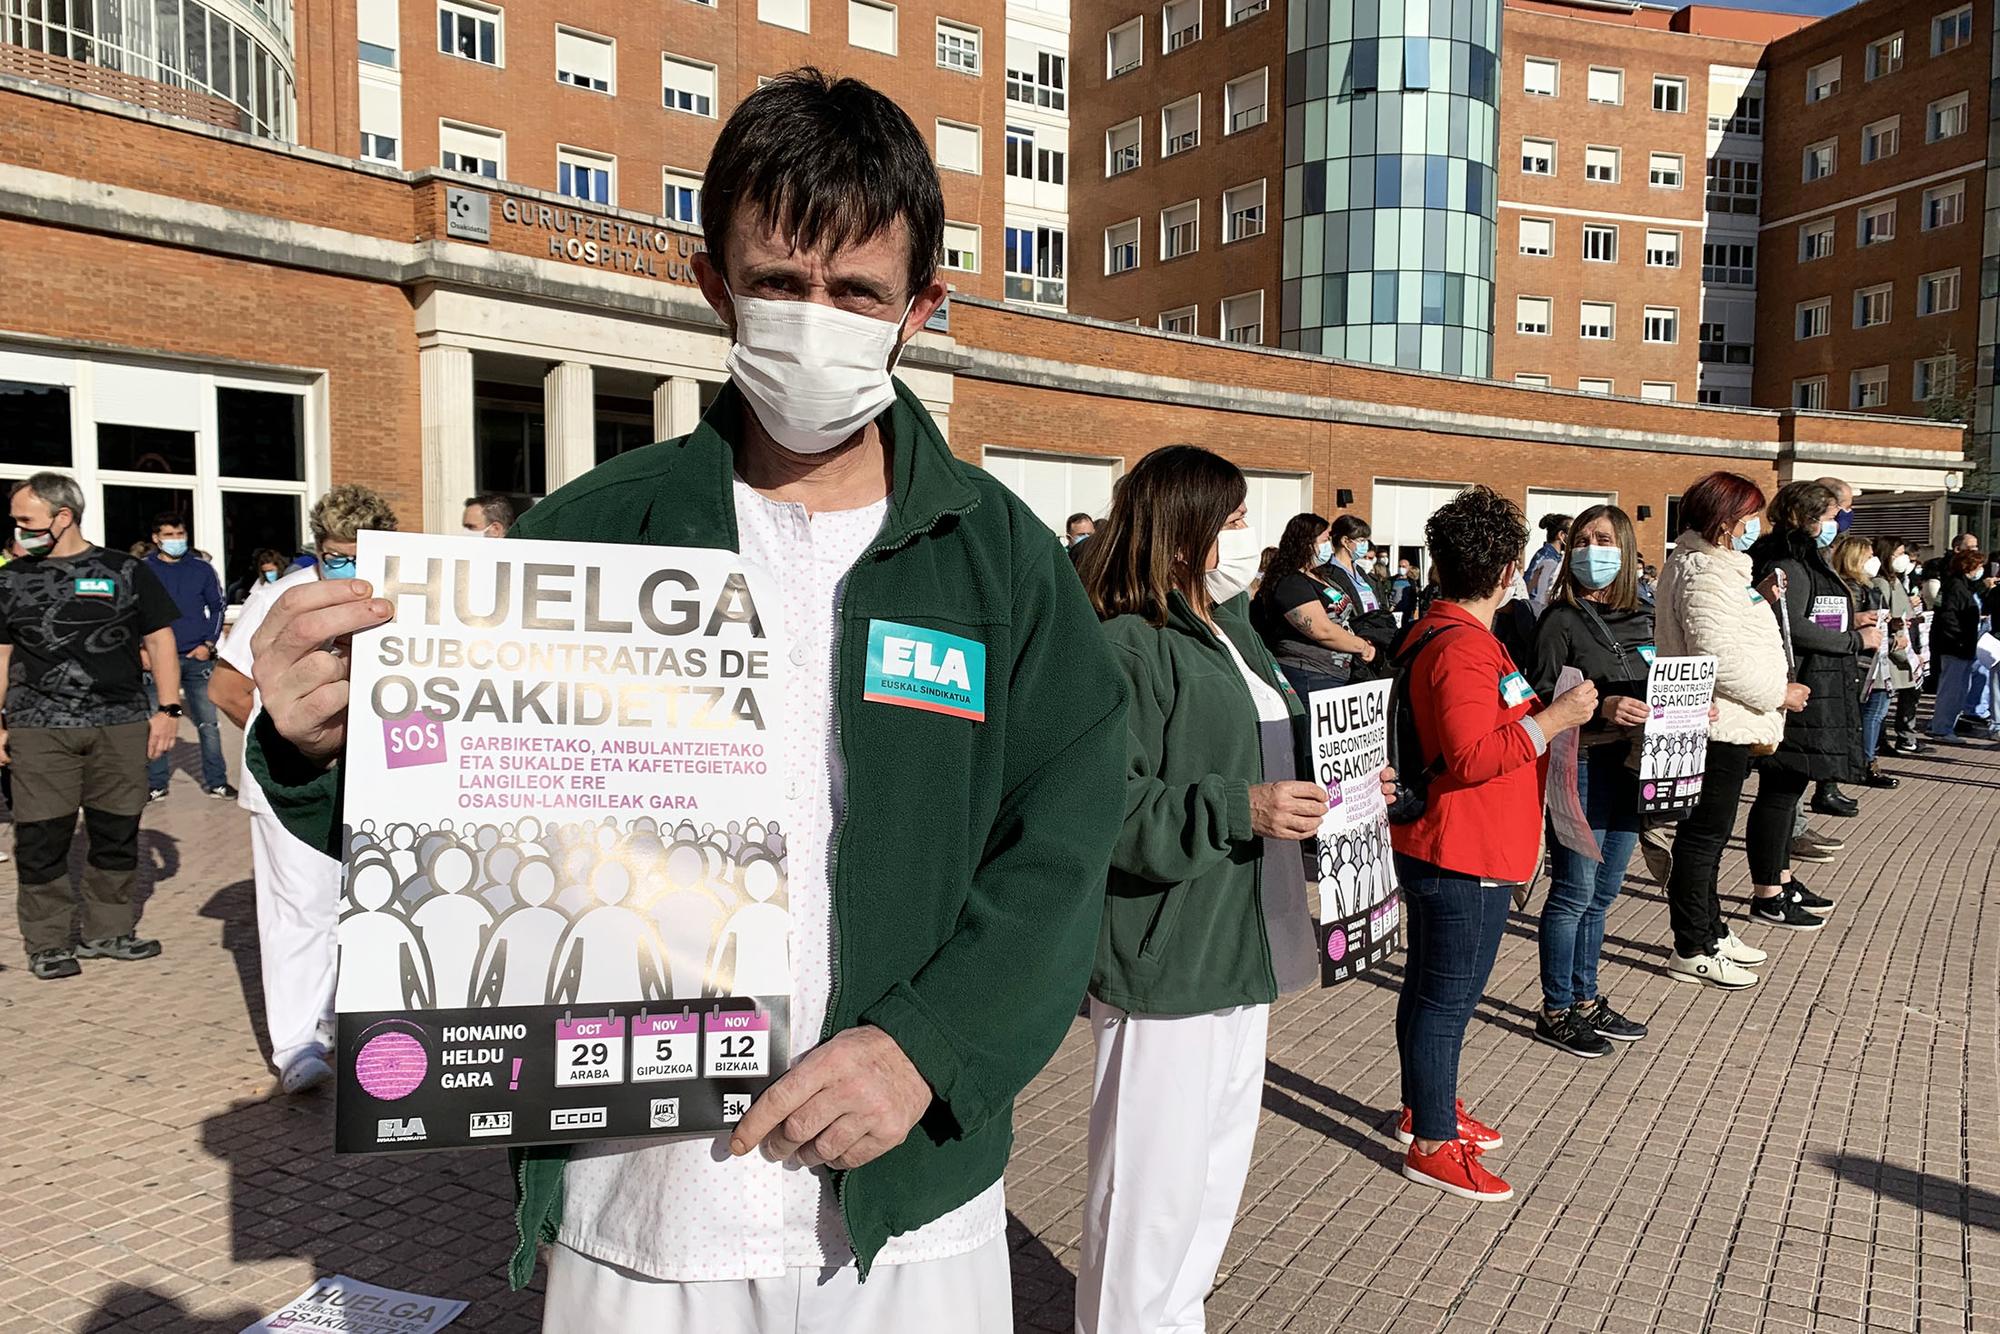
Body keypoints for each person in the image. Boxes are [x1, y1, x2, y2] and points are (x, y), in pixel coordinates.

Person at [242, 69, 1129, 1331]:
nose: (813, 321)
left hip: (904, 1207)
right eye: (777, 283)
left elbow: (1065, 844)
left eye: (854, 292)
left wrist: (928, 1045)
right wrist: (316, 745)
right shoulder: (590, 534)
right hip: (639, 1204)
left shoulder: (1000, 560)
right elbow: (448, 831)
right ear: (713, 284)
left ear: (918, 308)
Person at [1072, 447, 1326, 1332]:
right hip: (1168, 952)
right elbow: (1102, 806)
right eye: (1234, 518)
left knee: (1210, 1181)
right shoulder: (1125, 643)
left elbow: (1269, 747)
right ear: (1185, 531)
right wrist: (1238, 807)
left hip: (1244, 940)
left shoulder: (1230, 631)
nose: (1249, 534)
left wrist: (1342, 788)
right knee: (1147, 1194)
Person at [1390, 486, 1598, 1202]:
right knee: (1447, 1000)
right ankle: (1432, 1143)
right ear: (1510, 571)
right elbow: (1473, 755)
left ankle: (1427, 1107)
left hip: (1457, 842)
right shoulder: (1463, 647)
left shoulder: (1450, 632)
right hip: (1462, 849)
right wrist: (1557, 718)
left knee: (1429, 991)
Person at [210, 486, 397, 1095]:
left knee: (362, 907)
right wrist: (294, 746)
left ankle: (341, 1021)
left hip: (375, 779)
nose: (346, 566)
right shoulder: (281, 598)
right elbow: (227, 689)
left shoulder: (399, 595)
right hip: (291, 783)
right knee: (299, 910)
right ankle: (296, 1044)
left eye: (358, 554)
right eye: (335, 555)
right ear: (317, 548)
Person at [1, 474, 183, 980]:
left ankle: (108, 932)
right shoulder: (10, 580)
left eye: (26, 520)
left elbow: (160, 639)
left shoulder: (125, 570)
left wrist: (168, 710)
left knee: (116, 831)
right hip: (39, 728)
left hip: (120, 724)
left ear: (63, 517)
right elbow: (1, 654)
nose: (18, 529)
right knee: (41, 837)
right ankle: (48, 943)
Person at [1655, 472, 1803, 988]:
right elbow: (1718, 658)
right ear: (1725, 522)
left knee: (1711, 837)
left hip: (1726, 722)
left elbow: (1726, 628)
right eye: (1749, 517)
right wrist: (1779, 692)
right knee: (1702, 838)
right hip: (1716, 723)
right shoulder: (1703, 573)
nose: (1755, 526)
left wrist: (1757, 598)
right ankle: (1693, 944)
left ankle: (1711, 929)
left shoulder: (1717, 568)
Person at [1527, 506, 1654, 1059]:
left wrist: (1691, 707)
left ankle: (1586, 998)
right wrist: (1603, 707)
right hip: (1581, 763)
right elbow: (1538, 696)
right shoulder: (1560, 620)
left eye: (1602, 539)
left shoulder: (1645, 616)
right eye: (1581, 540)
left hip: (1633, 765)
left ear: (1624, 548)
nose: (1590, 549)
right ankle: (1556, 1008)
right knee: (1573, 891)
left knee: (1602, 894)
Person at [1746, 481, 1874, 929]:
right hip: (1798, 688)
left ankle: (1782, 878)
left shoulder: (1807, 559)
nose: (1838, 523)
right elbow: (1793, 627)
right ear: (1807, 518)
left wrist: (1850, 624)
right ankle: (1768, 893)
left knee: (1789, 792)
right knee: (1779, 793)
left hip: (1815, 686)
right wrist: (1853, 639)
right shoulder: (1788, 563)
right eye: (1832, 516)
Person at [140, 513, 234, 802]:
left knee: (208, 724)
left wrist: (209, 643)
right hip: (157, 660)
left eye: (179, 534)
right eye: (169, 535)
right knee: (159, 720)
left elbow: (218, 607)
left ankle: (217, 782)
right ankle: (156, 784)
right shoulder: (143, 569)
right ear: (156, 538)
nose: (175, 540)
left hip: (196, 658)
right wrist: (140, 647)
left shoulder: (201, 569)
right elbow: (132, 611)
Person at [1250, 512, 1377, 698]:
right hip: (1311, 675)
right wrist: (1361, 646)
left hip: (1337, 672)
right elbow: (1321, 630)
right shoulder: (1290, 583)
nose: (1329, 546)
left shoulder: (1318, 575)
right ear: (1306, 543)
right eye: (1324, 540)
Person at [1838, 535, 1900, 790]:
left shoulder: (1867, 586)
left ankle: (1865, 761)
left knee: (1874, 711)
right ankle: (1865, 763)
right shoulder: (1852, 588)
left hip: (1873, 658)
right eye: (1869, 555)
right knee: (1870, 713)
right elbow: (1845, 623)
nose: (1874, 560)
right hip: (1862, 660)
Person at [1318, 514, 1400, 675]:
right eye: (1361, 540)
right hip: (1353, 646)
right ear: (1345, 541)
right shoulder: (1326, 575)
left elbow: (1381, 605)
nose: (1365, 545)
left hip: (1376, 641)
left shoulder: (1364, 573)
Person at [1928, 547, 1992, 740]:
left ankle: (1947, 726)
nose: (1980, 570)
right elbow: (1948, 618)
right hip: (1955, 646)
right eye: (1978, 566)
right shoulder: (1955, 587)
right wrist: (1960, 638)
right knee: (1951, 690)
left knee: (1959, 689)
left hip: (1964, 645)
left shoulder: (1965, 587)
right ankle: (1941, 728)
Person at [1876, 541, 1925, 756]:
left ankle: (1898, 738)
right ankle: (1881, 742)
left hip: (1906, 646)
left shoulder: (1896, 580)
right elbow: (1888, 616)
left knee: (1907, 693)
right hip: (1894, 648)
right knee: (1882, 702)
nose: (1904, 559)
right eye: (1899, 554)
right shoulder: (1882, 583)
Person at [1524, 511, 1571, 614]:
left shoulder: (1549, 556)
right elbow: (1539, 594)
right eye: (1572, 533)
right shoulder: (1548, 560)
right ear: (1562, 535)